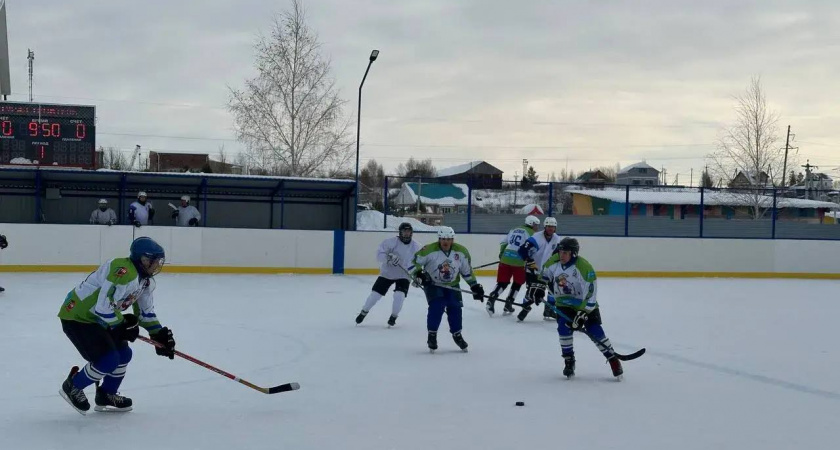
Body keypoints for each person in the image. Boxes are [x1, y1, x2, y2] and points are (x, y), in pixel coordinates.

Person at [57, 237, 176, 414]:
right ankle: (73, 386)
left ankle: (106, 394)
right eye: (154, 261)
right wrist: (121, 325)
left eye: (159, 261)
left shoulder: (145, 281)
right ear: (143, 259)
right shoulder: (123, 271)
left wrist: (158, 334)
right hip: (78, 317)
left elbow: (145, 314)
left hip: (102, 318)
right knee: (108, 359)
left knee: (124, 354)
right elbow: (102, 307)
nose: (156, 265)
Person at [527, 237, 623, 380]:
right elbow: (544, 276)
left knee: (595, 330)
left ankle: (613, 359)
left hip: (583, 304)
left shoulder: (584, 267)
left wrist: (583, 313)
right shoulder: (554, 261)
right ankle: (569, 361)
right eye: (560, 252)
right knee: (563, 329)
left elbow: (591, 294)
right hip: (564, 304)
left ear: (574, 253)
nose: (561, 255)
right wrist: (539, 288)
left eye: (565, 253)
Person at [411, 226, 484, 352]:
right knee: (437, 306)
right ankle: (432, 335)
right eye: (443, 239)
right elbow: (413, 263)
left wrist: (474, 286)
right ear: (439, 239)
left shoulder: (461, 252)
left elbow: (466, 271)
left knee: (455, 308)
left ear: (452, 239)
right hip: (433, 284)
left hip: (453, 285)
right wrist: (419, 274)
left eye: (449, 239)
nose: (446, 242)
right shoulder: (428, 250)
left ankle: (457, 334)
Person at [355, 223, 421, 327]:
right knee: (375, 295)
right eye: (404, 231)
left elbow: (419, 263)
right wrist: (389, 259)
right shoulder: (390, 242)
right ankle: (364, 311)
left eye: (409, 232)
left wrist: (418, 275)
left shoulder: (416, 246)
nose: (407, 234)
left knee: (399, 295)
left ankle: (393, 316)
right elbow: (379, 255)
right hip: (387, 273)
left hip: (404, 275)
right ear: (400, 232)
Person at [486, 215, 540, 316]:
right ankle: (508, 303)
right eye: (536, 225)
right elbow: (532, 248)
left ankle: (491, 298)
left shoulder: (514, 229)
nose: (537, 228)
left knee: (502, 282)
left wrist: (502, 253)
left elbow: (503, 242)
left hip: (506, 257)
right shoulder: (533, 233)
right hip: (518, 260)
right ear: (532, 224)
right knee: (517, 282)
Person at [516, 216, 562, 321]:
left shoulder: (557, 239)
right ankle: (525, 308)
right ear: (545, 227)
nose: (551, 229)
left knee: (553, 290)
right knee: (532, 291)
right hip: (532, 269)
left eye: (553, 227)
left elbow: (557, 255)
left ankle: (549, 310)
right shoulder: (536, 237)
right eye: (549, 226)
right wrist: (528, 260)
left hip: (547, 271)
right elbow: (522, 250)